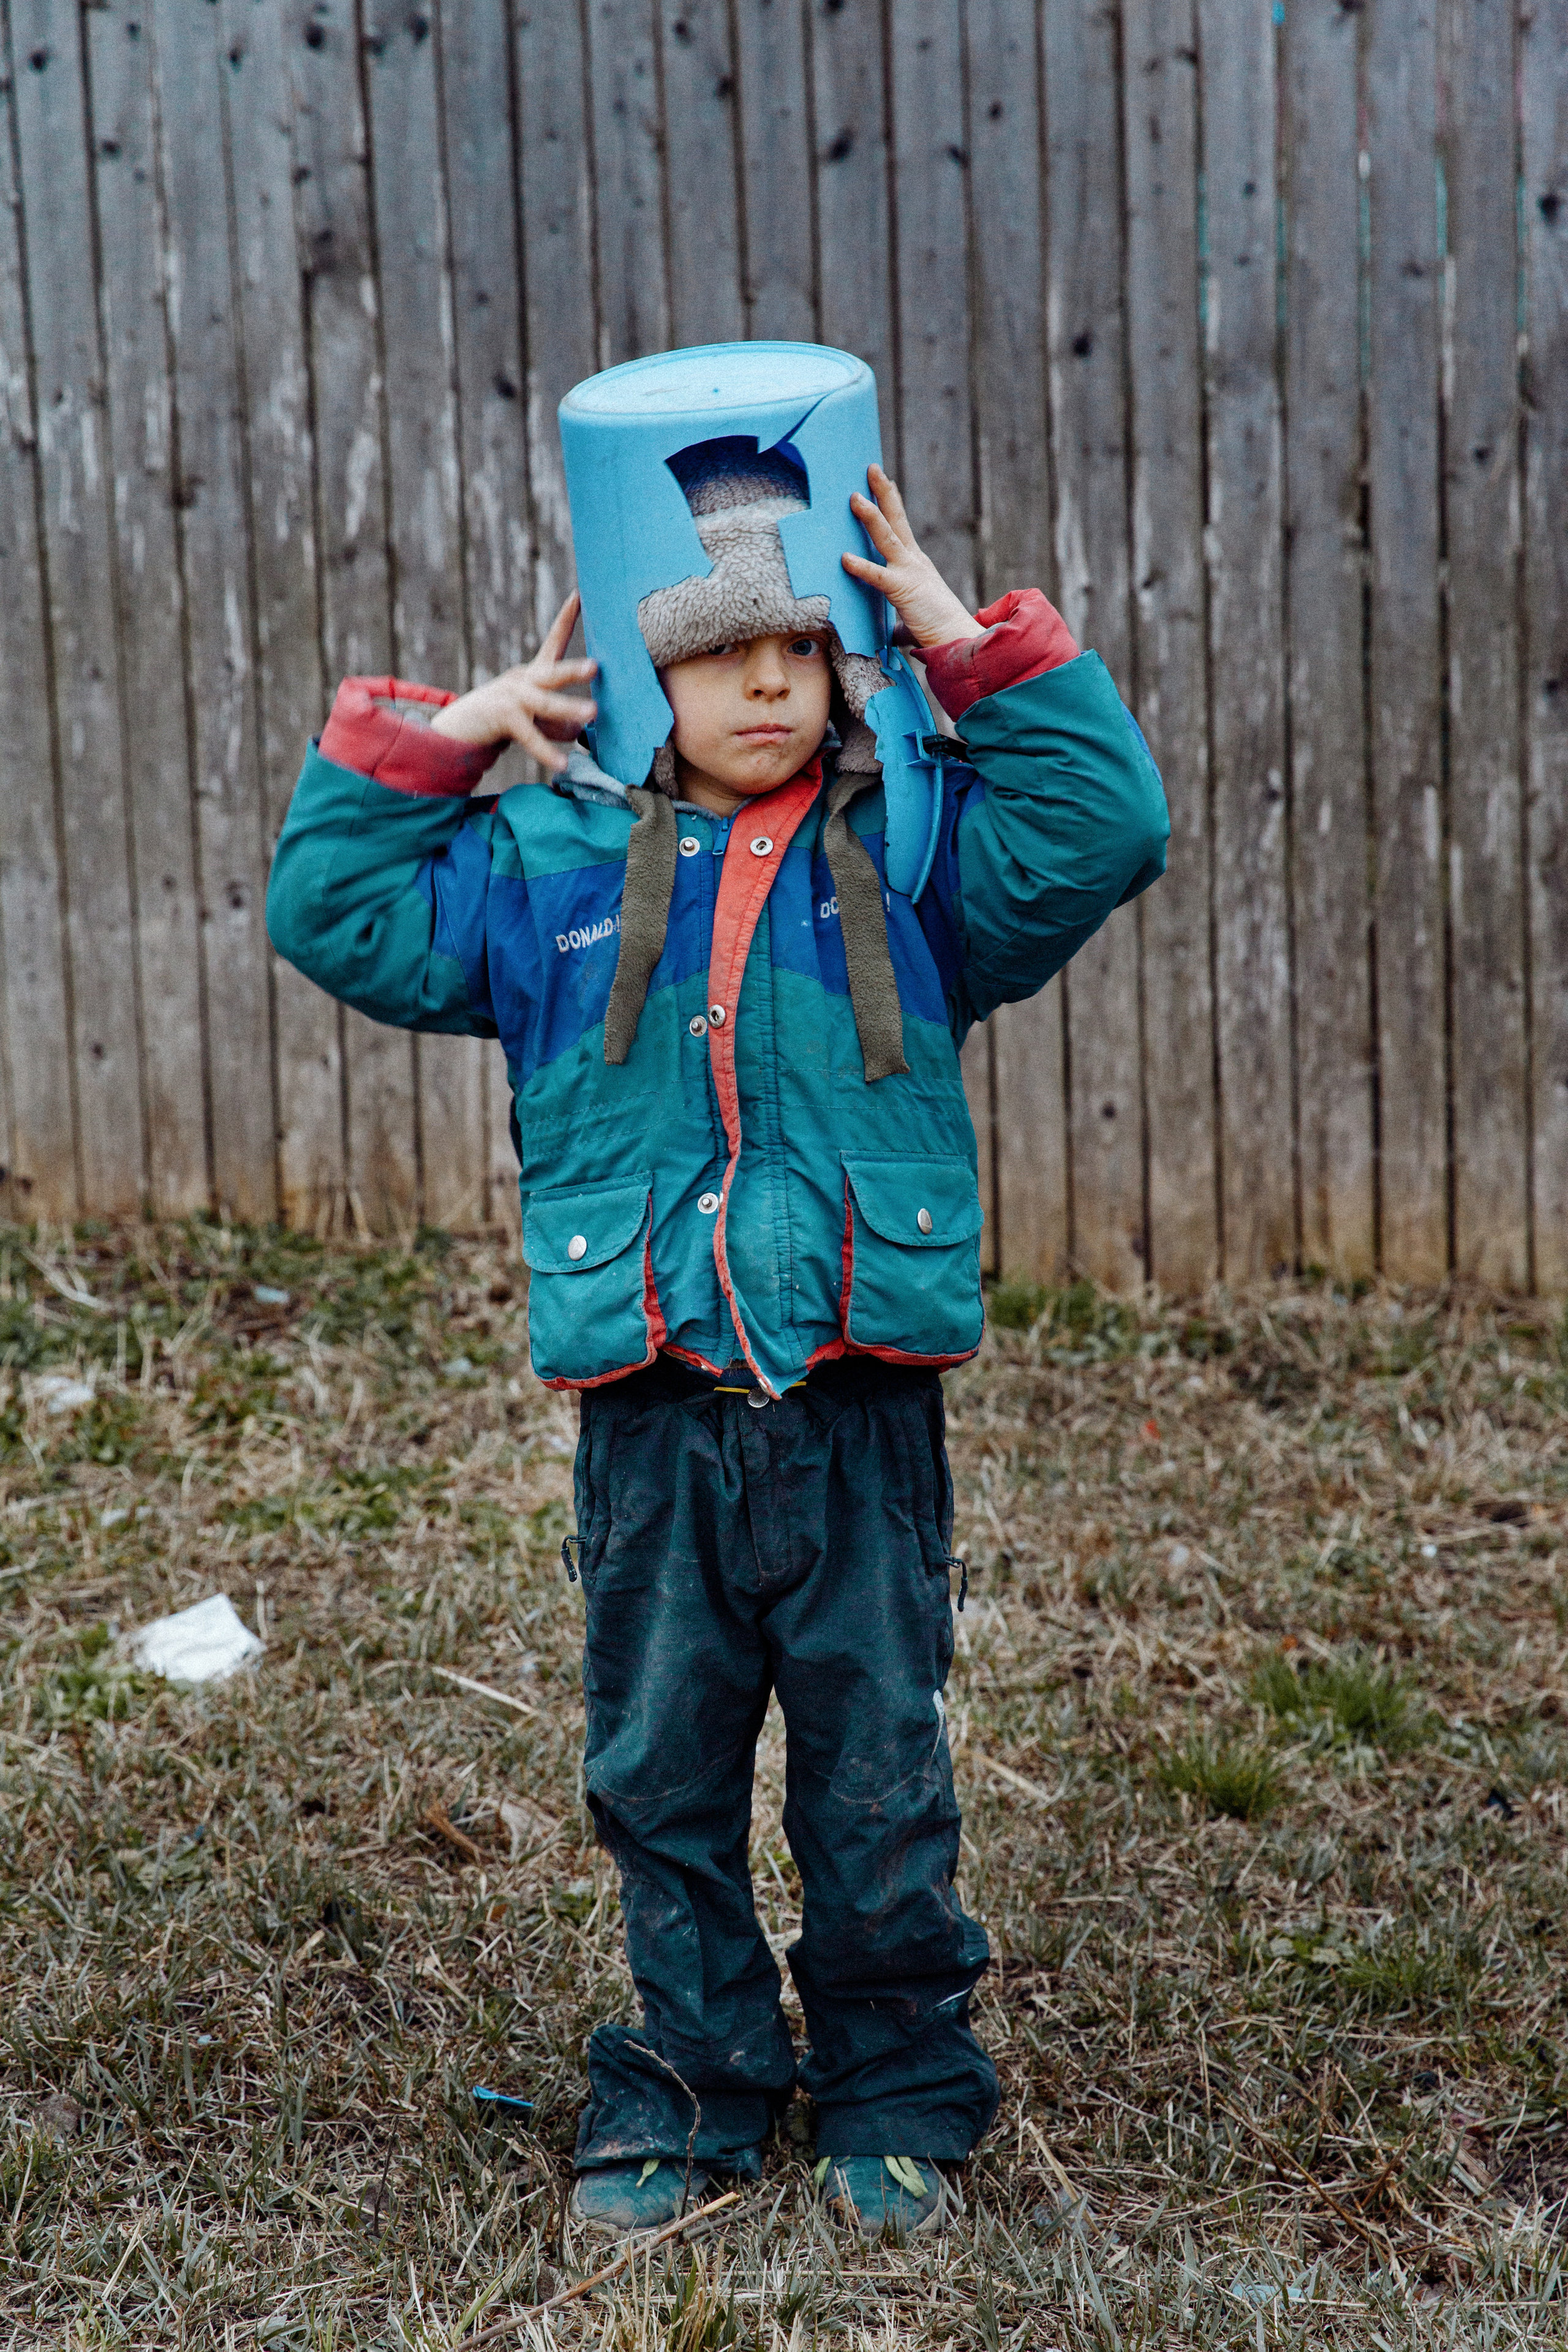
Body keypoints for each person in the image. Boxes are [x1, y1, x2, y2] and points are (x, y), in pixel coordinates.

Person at [267, 342, 1168, 2241]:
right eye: (713, 650)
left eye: (802, 648)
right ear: (637, 671)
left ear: (846, 659)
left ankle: (900, 2084)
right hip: (655, 1423)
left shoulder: (921, 860)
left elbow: (1109, 827)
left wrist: (961, 642)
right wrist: (450, 730)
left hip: (857, 1421)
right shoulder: (543, 870)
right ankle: (687, 2083)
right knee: (658, 1780)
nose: (766, 681)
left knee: (878, 1784)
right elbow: (332, 916)